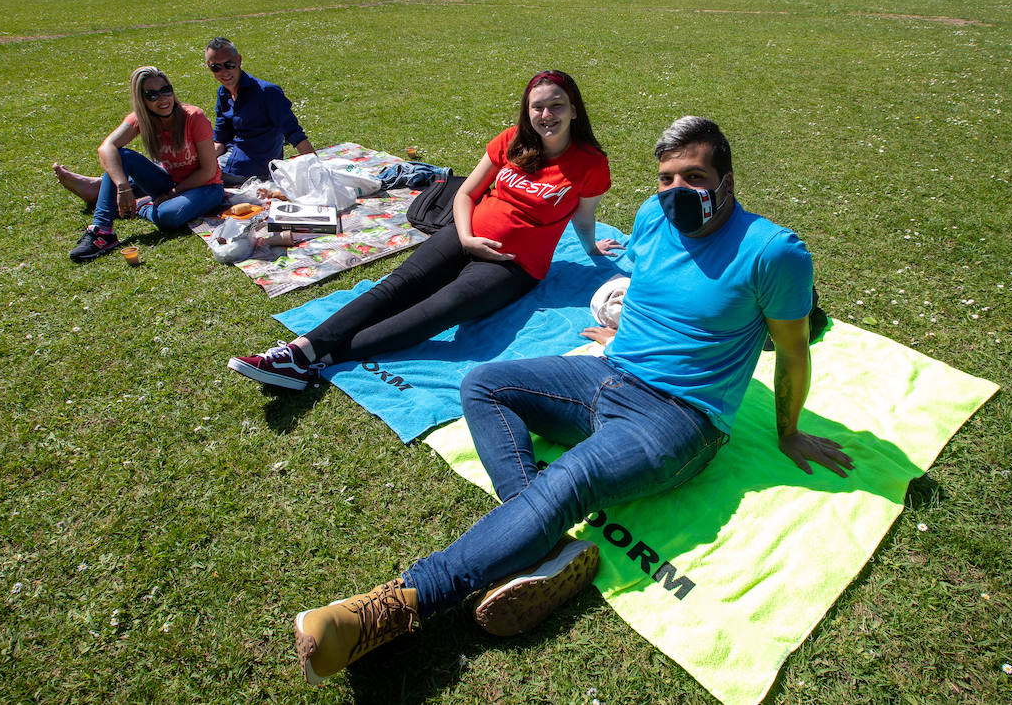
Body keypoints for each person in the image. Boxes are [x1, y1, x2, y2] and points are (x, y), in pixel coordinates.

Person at [289, 116, 855, 685]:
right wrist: (624, 335)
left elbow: (793, 351)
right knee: (483, 383)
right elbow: (656, 292)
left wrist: (787, 430)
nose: (676, 191)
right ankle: (546, 547)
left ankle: (389, 608)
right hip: (608, 372)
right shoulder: (652, 217)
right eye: (666, 178)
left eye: (694, 176)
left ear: (727, 180)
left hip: (680, 419)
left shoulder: (774, 253)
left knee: (568, 479)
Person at [227, 70, 621, 389]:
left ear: (574, 110)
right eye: (538, 107)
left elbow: (582, 218)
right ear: (527, 110)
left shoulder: (589, 163)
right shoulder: (513, 141)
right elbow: (466, 193)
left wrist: (591, 250)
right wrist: (466, 237)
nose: (547, 115)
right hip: (464, 235)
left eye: (557, 106)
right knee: (395, 287)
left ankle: (319, 361)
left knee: (434, 313)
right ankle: (299, 350)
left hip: (513, 265)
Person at [67, 67, 225, 261]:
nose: (162, 99)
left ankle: (142, 205)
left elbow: (208, 171)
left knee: (167, 216)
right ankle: (101, 231)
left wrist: (173, 194)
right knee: (117, 155)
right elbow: (106, 148)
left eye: (166, 90)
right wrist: (123, 187)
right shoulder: (141, 119)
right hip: (168, 182)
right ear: (141, 100)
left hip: (206, 187)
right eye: (151, 95)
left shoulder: (193, 117)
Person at [207, 37, 314, 186]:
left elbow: (295, 134)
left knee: (200, 180)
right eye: (216, 67)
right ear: (209, 66)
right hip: (232, 158)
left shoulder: (267, 92)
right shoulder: (223, 93)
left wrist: (318, 170)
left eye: (229, 64)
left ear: (239, 60)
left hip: (255, 165)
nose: (224, 72)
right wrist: (203, 161)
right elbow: (221, 138)